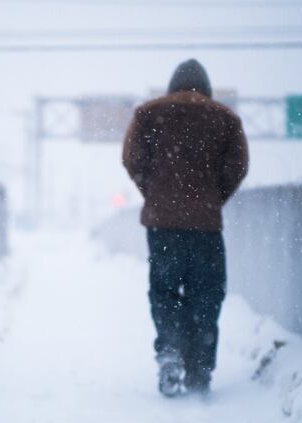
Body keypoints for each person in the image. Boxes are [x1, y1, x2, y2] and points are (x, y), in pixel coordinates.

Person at [122, 59, 248, 396]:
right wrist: (211, 197)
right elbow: (237, 166)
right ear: (205, 87)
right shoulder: (226, 118)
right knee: (205, 293)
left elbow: (131, 159)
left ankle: (170, 352)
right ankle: (200, 369)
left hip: (162, 224)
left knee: (164, 290)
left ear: (171, 85)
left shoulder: (148, 114)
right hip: (206, 225)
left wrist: (155, 193)